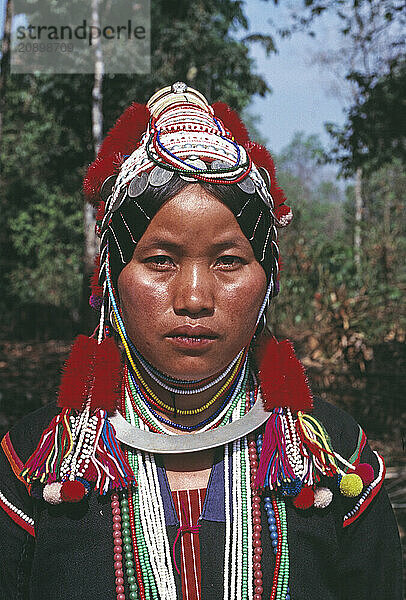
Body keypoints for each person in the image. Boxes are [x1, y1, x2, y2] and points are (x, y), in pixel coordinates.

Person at [0, 82, 402, 600]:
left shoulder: (336, 461)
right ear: (111, 276)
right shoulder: (36, 468)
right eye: (160, 260)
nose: (194, 297)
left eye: (229, 261)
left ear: (269, 279)